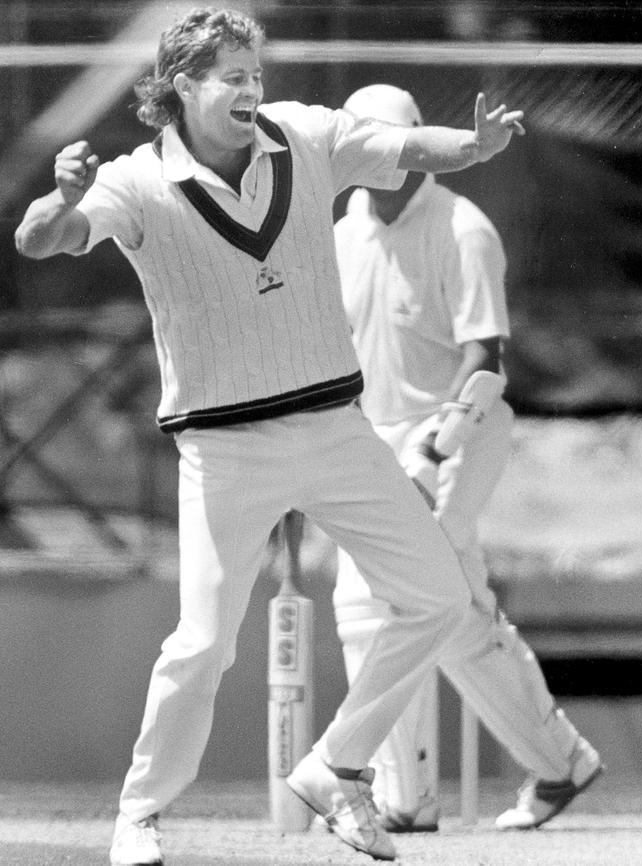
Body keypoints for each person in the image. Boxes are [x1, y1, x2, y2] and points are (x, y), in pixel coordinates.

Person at [14, 8, 527, 865]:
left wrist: (470, 148)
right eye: (233, 77)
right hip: (224, 450)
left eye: (257, 74)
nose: (253, 90)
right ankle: (138, 814)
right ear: (183, 86)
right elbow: (42, 241)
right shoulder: (139, 181)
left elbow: (409, 149)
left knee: (439, 597)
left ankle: (336, 764)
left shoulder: (306, 136)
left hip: (335, 429)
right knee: (205, 645)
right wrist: (59, 196)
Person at [331, 84, 602, 834]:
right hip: (373, 444)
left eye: (398, 144)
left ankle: (406, 797)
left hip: (459, 433)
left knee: (396, 599)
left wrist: (432, 449)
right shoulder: (341, 235)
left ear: (421, 141)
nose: (385, 162)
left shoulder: (462, 227)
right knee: (422, 610)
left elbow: (488, 357)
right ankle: (551, 764)